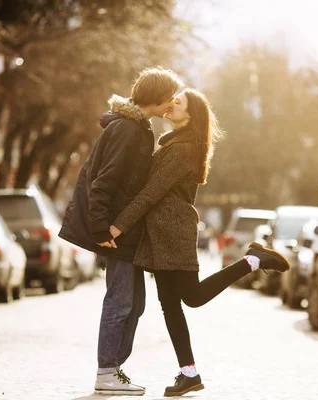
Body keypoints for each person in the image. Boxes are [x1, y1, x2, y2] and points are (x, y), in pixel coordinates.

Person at [107, 89, 290, 397]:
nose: (172, 102)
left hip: (173, 232)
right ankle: (189, 373)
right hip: (163, 231)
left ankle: (254, 260)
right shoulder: (174, 144)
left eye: (179, 102)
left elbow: (151, 192)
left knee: (191, 297)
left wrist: (118, 226)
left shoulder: (181, 150)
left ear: (189, 116)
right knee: (170, 304)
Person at [59, 67, 182, 396]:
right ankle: (106, 371)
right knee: (120, 302)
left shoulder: (139, 127)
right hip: (114, 232)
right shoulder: (128, 129)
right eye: (170, 96)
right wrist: (101, 228)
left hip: (126, 232)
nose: (173, 101)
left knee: (135, 303)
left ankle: (113, 368)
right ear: (156, 98)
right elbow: (103, 182)